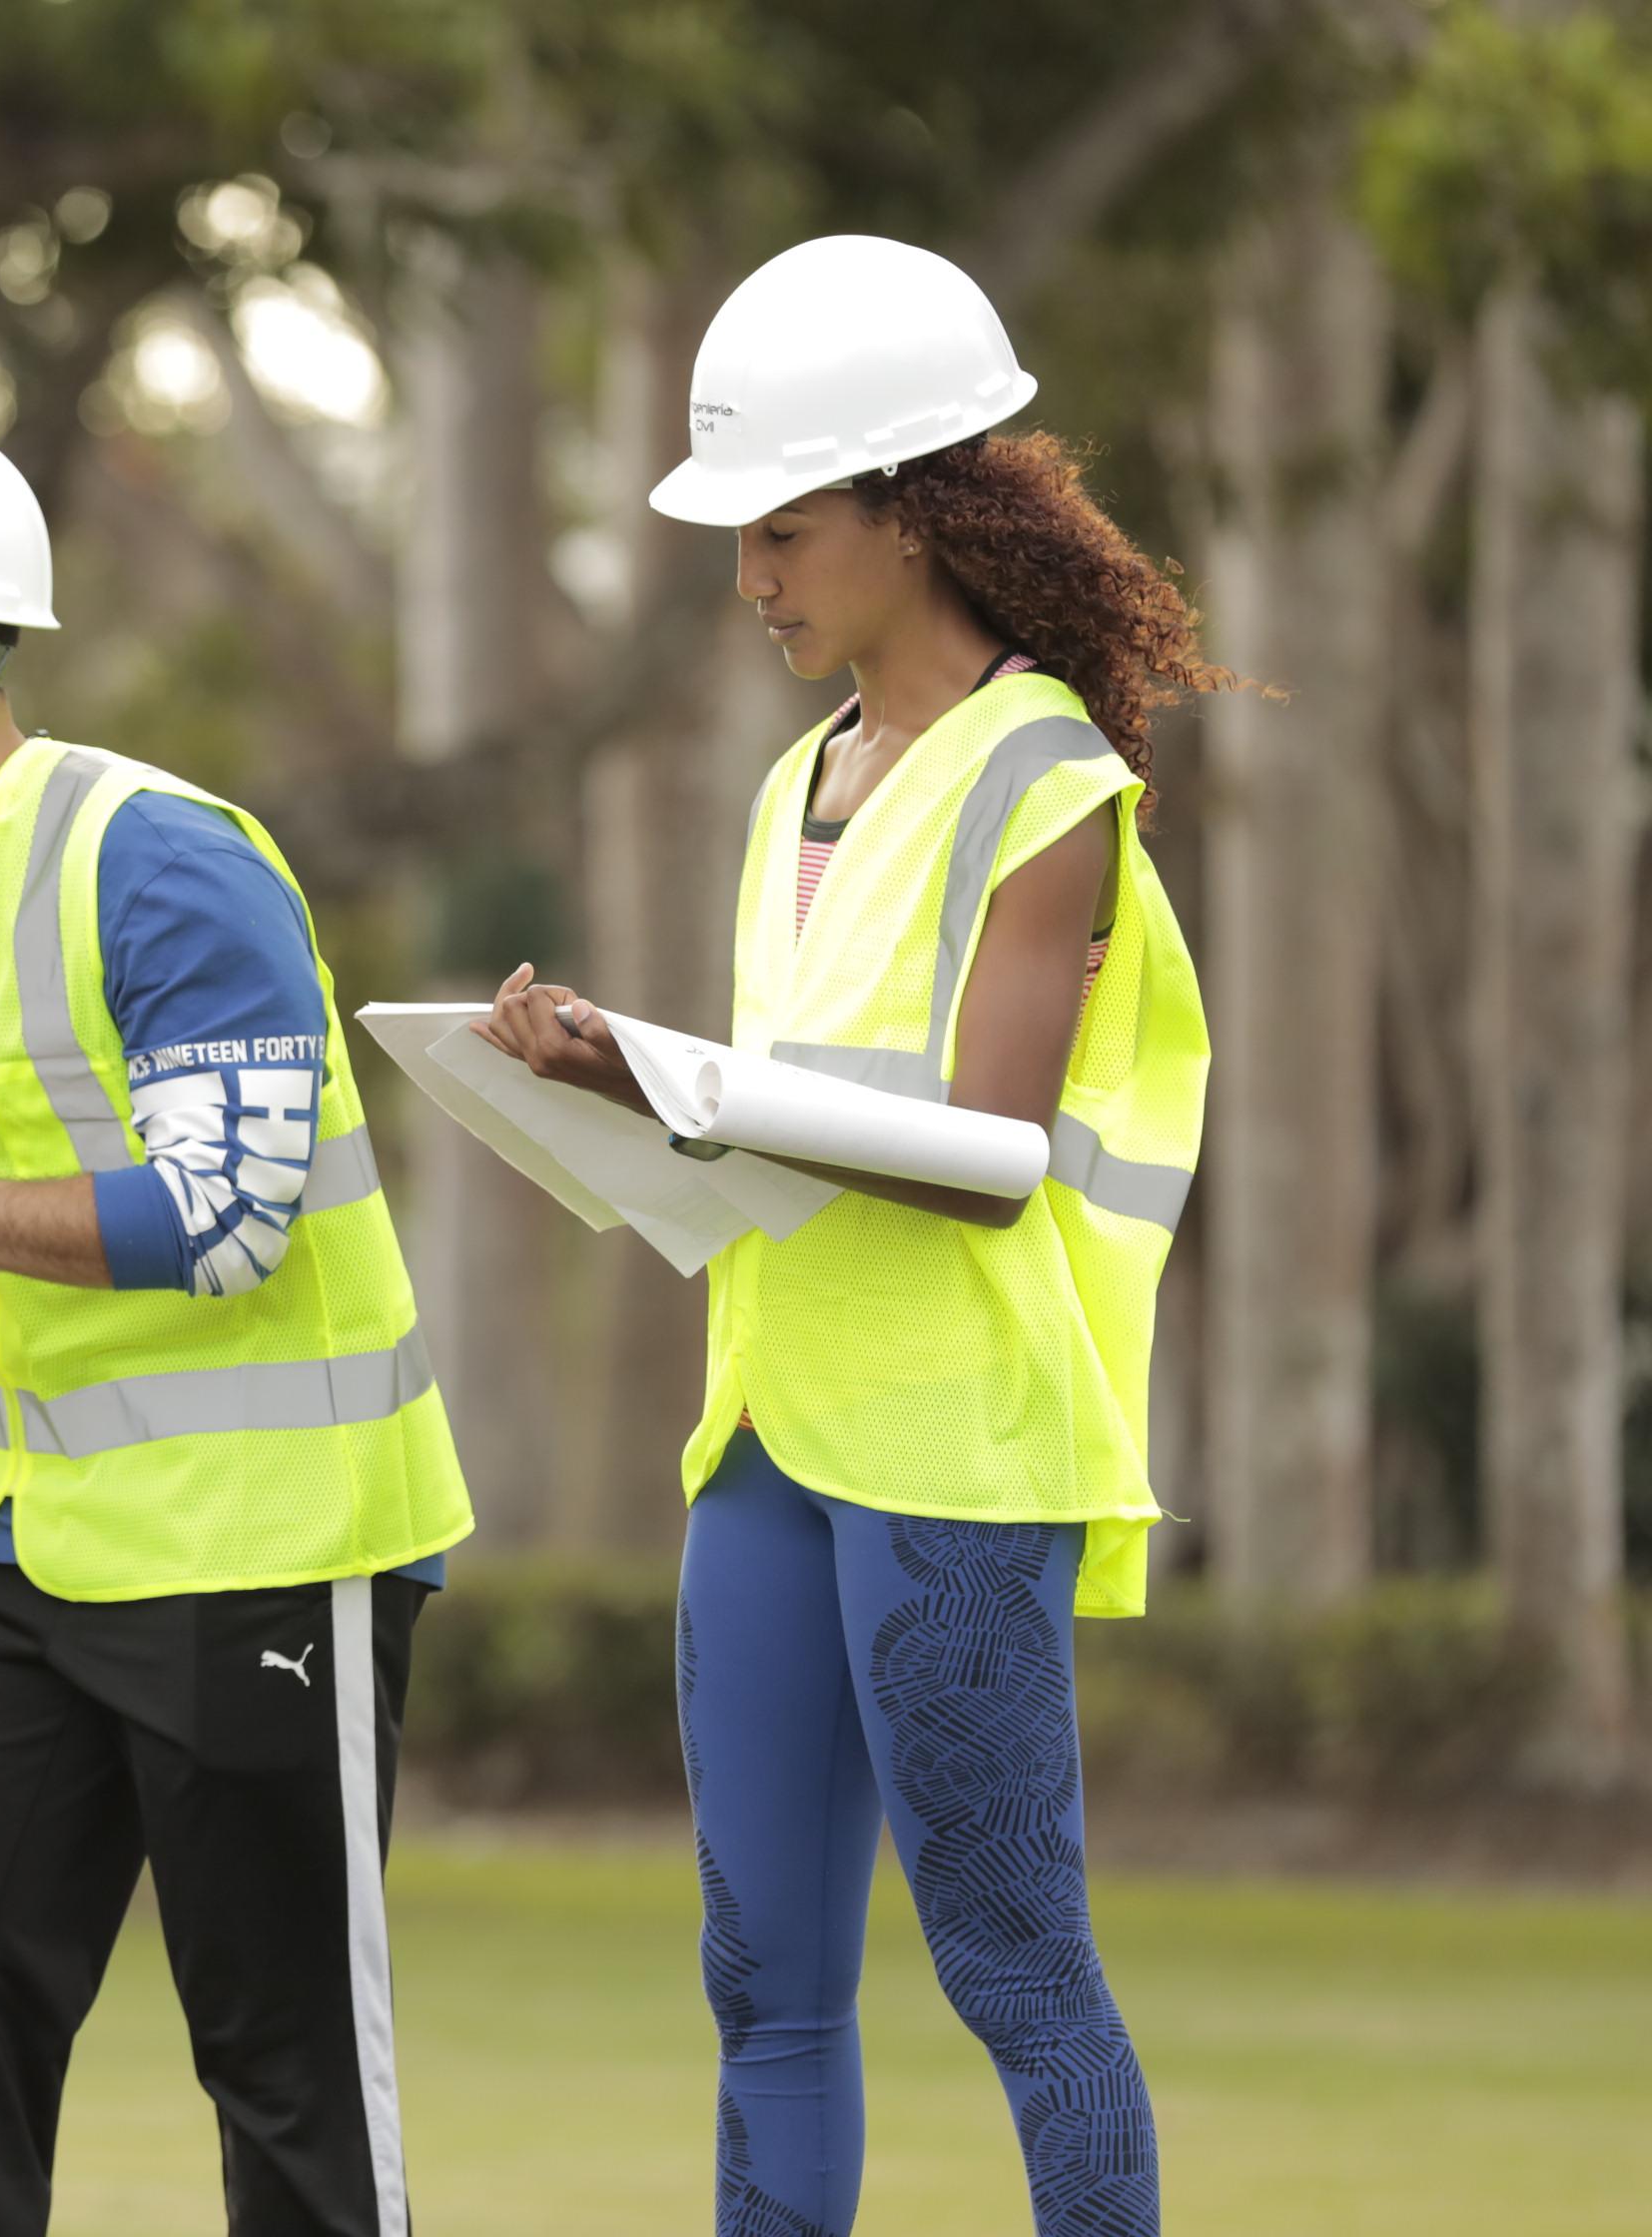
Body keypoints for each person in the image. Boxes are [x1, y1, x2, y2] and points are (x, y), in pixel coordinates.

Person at [480, 236, 1218, 2237]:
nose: (755, 580)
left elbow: (988, 1150)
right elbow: (787, 1128)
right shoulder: (799, 780)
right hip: (769, 1440)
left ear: (917, 510)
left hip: (959, 1454)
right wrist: (610, 1086)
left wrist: (678, 1084)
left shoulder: (1051, 776)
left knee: (1017, 1977)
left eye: (787, 532)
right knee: (763, 1991)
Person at [0, 406, 471, 2237]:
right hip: (20, 1560)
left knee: (285, 2077)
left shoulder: (161, 861)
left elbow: (227, 1220)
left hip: (267, 1556)